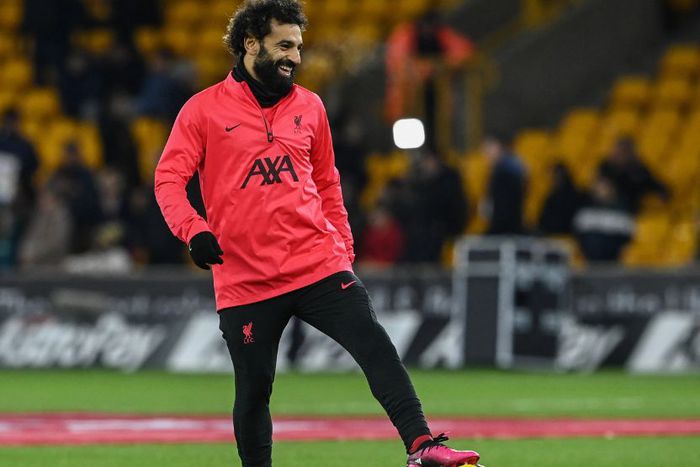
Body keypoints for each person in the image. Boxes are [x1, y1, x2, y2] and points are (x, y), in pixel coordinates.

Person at [154, 2, 483, 467]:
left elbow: (328, 183)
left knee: (375, 346)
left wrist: (342, 248)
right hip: (245, 277)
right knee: (254, 390)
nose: (295, 57)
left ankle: (422, 446)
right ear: (251, 44)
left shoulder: (310, 106)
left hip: (317, 264)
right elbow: (168, 179)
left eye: (298, 47)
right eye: (284, 45)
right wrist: (193, 229)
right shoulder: (202, 110)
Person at [597, 137, 669, 215]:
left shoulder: (639, 169)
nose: (620, 155)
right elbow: (599, 188)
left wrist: (659, 197)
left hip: (630, 210)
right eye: (618, 151)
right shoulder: (606, 167)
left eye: (624, 152)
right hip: (607, 208)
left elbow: (656, 186)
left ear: (631, 153)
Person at [573, 174, 634, 262]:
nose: (600, 191)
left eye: (603, 187)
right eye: (598, 188)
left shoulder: (621, 206)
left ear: (611, 189)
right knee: (592, 240)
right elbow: (579, 228)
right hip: (591, 246)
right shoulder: (586, 206)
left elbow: (627, 231)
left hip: (613, 244)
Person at [482, 134, 527, 235]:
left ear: (499, 147)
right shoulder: (506, 169)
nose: (485, 153)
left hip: (507, 230)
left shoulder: (506, 173)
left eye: (488, 147)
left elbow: (504, 211)